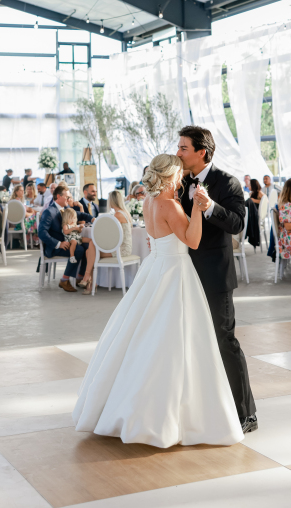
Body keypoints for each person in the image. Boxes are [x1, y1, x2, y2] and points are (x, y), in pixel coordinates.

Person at [73, 153, 243, 448]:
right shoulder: (171, 205)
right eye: (179, 174)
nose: (182, 178)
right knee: (175, 340)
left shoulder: (150, 202)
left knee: (140, 336)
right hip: (175, 271)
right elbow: (193, 241)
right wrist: (199, 210)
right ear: (171, 176)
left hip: (154, 268)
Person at [177, 125, 257, 434]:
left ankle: (245, 413)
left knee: (225, 341)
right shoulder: (179, 180)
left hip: (214, 276)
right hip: (181, 274)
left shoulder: (227, 183)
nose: (178, 152)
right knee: (186, 342)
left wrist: (209, 206)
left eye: (183, 148)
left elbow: (236, 224)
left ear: (202, 152)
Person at [38, 183, 92, 292]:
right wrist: (58, 243)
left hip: (68, 242)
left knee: (88, 246)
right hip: (54, 247)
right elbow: (42, 233)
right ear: (58, 196)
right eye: (67, 197)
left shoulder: (66, 208)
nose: (69, 199)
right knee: (79, 249)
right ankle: (64, 280)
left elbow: (79, 215)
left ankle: (80, 277)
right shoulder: (49, 212)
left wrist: (92, 218)